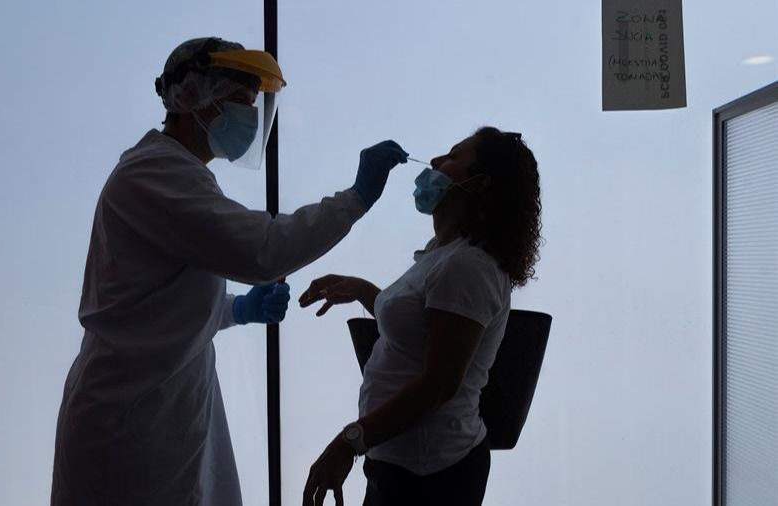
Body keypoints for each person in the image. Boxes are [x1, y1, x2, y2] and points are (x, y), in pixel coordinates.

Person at [51, 37, 409, 506]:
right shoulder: (153, 174)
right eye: (240, 100)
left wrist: (236, 310)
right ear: (189, 96)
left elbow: (154, 305)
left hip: (165, 409)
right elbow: (263, 250)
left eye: (254, 104)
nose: (250, 116)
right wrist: (355, 199)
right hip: (129, 421)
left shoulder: (180, 176)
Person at [299, 127, 542, 506]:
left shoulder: (467, 266)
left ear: (478, 183)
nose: (434, 161)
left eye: (453, 156)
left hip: (430, 476)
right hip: (401, 463)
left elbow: (438, 385)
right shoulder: (442, 253)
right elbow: (416, 328)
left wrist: (348, 442)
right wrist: (360, 290)